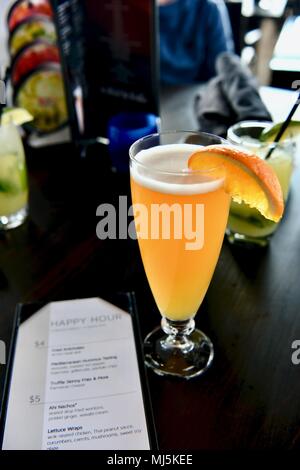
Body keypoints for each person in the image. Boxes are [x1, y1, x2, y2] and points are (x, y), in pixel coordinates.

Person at [158, 0, 234, 85]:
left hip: (197, 91)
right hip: (147, 93)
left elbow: (225, 68)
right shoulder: (143, 10)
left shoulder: (210, 7)